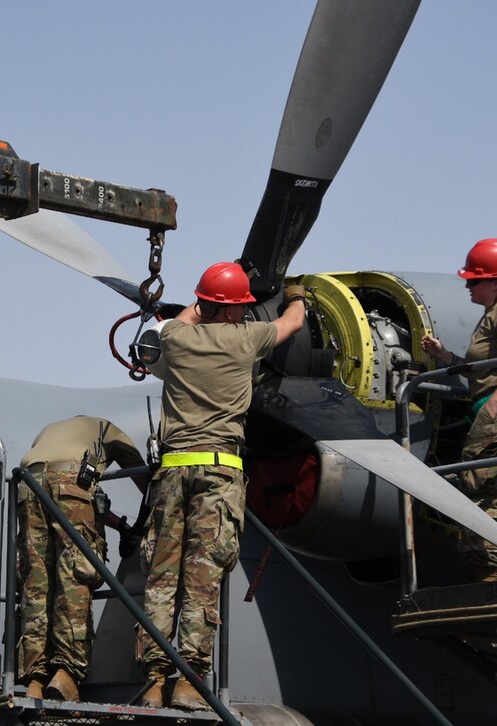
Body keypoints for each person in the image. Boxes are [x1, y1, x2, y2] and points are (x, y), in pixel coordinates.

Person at [135, 262, 307, 710]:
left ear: (205, 302)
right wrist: (296, 293)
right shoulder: (248, 339)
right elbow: (292, 323)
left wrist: (201, 305)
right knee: (201, 577)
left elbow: (181, 320)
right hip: (219, 473)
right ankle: (191, 681)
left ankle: (153, 680)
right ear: (236, 311)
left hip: (172, 471)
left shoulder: (175, 337)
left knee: (161, 578)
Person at [420, 238, 497, 583]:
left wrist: (494, 403)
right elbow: (486, 369)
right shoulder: (496, 313)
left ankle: (490, 575)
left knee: (481, 491)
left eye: (474, 279)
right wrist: (445, 357)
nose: (468, 286)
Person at [17, 415, 149, 702]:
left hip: (28, 483)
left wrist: (122, 527)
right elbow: (146, 483)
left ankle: (35, 678)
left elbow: (76, 494)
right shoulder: (108, 430)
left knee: (37, 584)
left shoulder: (49, 430)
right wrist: (147, 526)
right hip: (71, 482)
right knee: (75, 577)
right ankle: (67, 673)